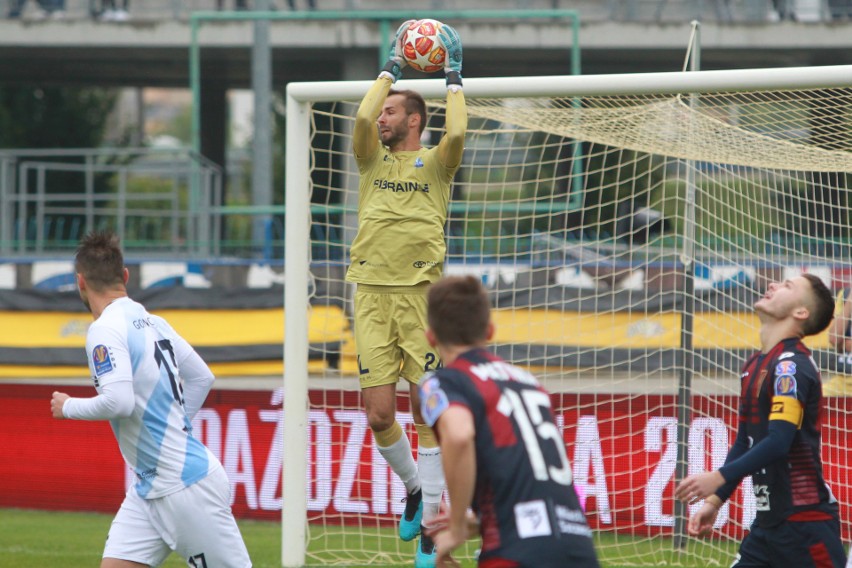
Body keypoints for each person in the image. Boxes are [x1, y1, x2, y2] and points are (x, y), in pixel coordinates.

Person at [50, 231, 252, 568]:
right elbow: (203, 377)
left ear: (80, 282)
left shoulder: (104, 328)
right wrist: (176, 424)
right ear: (125, 277)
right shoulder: (155, 322)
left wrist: (68, 406)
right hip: (149, 486)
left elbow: (118, 402)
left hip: (183, 487)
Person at [345, 19, 466, 568]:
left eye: (395, 110)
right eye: (384, 111)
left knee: (426, 406)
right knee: (377, 413)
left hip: (419, 295)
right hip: (370, 291)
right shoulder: (371, 159)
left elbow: (458, 133)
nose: (384, 117)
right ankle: (416, 488)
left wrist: (454, 79)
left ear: (415, 120)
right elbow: (362, 116)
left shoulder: (437, 163)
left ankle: (430, 528)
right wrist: (389, 70)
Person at [418, 275, 600, 568]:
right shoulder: (530, 382)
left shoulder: (445, 382)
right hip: (577, 542)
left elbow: (459, 434)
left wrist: (457, 525)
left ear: (430, 337)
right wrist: (479, 519)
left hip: (515, 548)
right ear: (489, 331)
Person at [675, 274, 846, 568]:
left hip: (806, 527)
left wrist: (718, 477)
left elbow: (779, 442)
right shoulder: (755, 365)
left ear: (801, 313)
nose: (773, 285)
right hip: (768, 527)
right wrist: (716, 500)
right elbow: (746, 440)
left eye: (787, 286)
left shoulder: (790, 368)